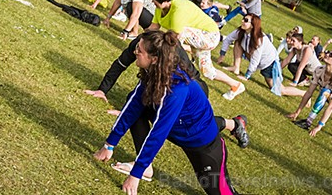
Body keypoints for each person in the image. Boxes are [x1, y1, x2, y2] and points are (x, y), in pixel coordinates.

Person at [93, 31, 240, 195]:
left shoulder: (177, 88)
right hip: (178, 130)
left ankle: (235, 125)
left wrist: (135, 175)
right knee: (137, 107)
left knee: (220, 193)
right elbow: (132, 106)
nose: (135, 51)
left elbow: (158, 132)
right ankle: (147, 168)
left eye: (139, 50)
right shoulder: (153, 72)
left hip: (202, 144)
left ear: (154, 58)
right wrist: (109, 145)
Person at [147, 0, 246, 101]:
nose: (152, 1)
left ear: (164, 0)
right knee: (208, 71)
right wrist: (142, 39)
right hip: (198, 37)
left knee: (177, 35)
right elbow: (153, 27)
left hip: (210, 35)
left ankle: (172, 69)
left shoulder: (178, 9)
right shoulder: (160, 9)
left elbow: (174, 38)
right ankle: (236, 85)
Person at [220, 15, 305, 97]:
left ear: (252, 25)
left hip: (269, 64)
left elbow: (255, 59)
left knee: (279, 90)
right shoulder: (241, 31)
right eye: (243, 19)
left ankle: (303, 93)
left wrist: (247, 76)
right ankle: (236, 67)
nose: (242, 21)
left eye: (246, 20)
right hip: (256, 58)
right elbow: (228, 39)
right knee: (238, 42)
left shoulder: (259, 39)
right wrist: (222, 55)